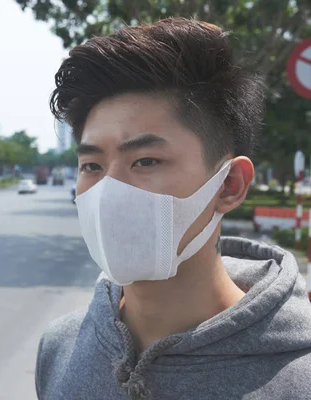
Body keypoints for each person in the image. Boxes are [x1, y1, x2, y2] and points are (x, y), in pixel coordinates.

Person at [36, 17, 311, 400]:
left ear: (229, 185)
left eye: (146, 161)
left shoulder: (299, 377)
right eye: (92, 166)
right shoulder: (59, 348)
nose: (108, 190)